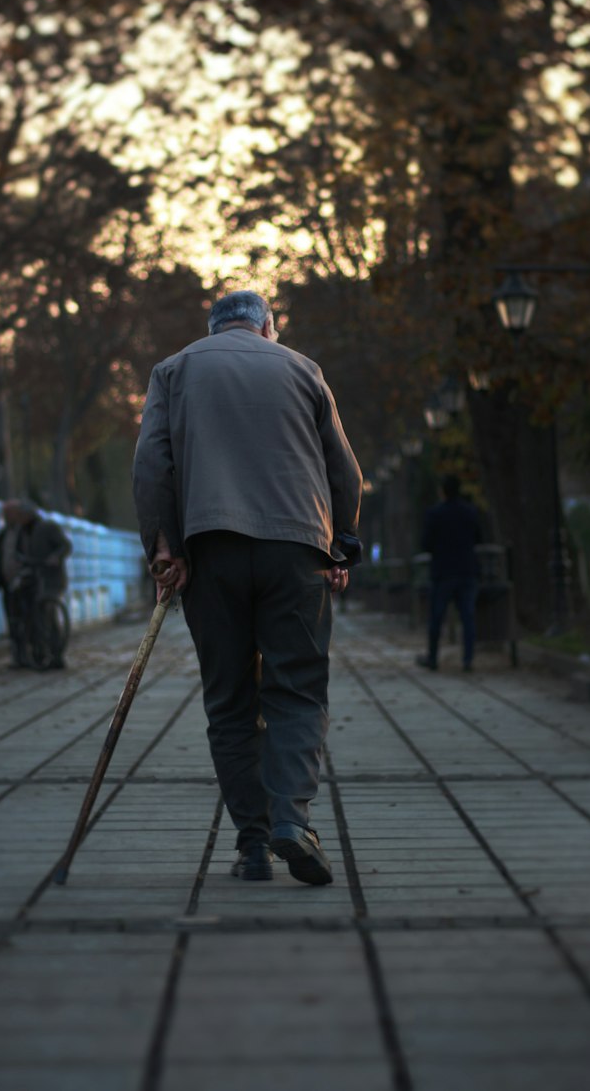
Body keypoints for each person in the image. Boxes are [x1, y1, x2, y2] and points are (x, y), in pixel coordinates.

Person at [132, 290, 363, 886]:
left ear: (212, 329)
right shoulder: (302, 368)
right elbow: (344, 469)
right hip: (297, 550)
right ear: (267, 326)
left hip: (212, 551)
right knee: (298, 690)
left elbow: (152, 462)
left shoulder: (174, 369)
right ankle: (293, 819)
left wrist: (163, 547)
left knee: (230, 700)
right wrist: (343, 544)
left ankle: (254, 846)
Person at [0, 500, 72, 669]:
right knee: (36, 619)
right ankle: (40, 655)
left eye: (19, 516)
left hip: (52, 579)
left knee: (50, 617)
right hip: (34, 579)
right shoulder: (22, 531)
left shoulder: (47, 527)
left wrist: (55, 557)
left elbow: (65, 546)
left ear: (27, 515)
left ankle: (56, 656)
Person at [417, 474, 482, 673]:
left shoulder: (435, 514)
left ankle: (433, 657)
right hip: (466, 570)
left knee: (437, 616)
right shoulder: (470, 512)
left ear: (443, 491)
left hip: (443, 571)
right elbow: (479, 537)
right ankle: (468, 658)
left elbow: (426, 543)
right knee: (467, 617)